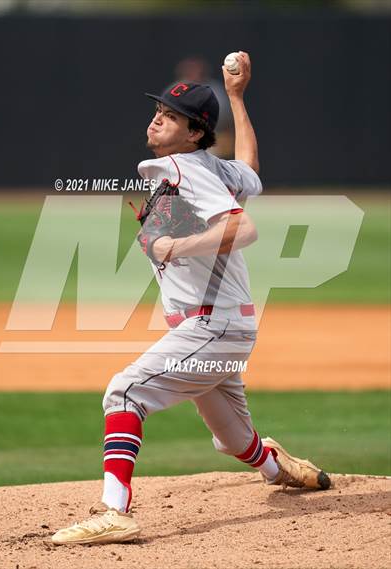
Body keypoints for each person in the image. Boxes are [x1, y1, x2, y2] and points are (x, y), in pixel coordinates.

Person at [52, 51, 330, 546]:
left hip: (213, 328)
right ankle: (278, 467)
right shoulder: (211, 166)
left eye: (172, 115)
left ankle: (114, 512)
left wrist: (177, 245)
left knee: (124, 391)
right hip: (215, 331)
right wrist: (239, 99)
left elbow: (242, 227)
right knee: (232, 440)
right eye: (159, 108)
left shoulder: (184, 167)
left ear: (195, 132)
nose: (158, 116)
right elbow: (251, 169)